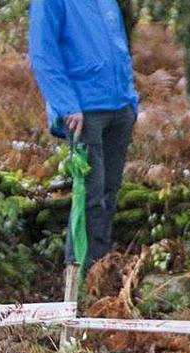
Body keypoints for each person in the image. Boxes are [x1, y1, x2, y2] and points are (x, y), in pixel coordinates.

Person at [28, 0, 139, 269]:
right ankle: (79, 274)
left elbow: (118, 46)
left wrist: (131, 101)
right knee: (89, 193)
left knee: (109, 193)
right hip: (83, 111)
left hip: (119, 106)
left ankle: (100, 270)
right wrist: (66, 105)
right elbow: (43, 54)